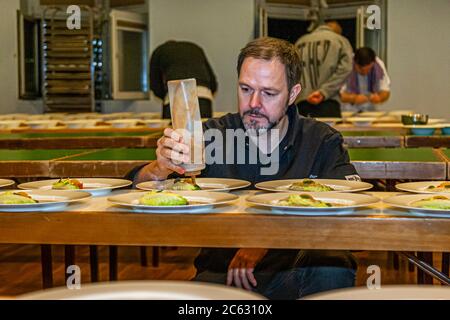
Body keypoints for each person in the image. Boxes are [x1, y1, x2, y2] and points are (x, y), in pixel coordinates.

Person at [134, 37, 359, 299]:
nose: (254, 103)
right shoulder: (209, 136)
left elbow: (351, 207)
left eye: (269, 93)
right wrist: (160, 168)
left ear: (293, 94)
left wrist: (265, 239)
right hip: (221, 273)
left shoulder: (321, 140)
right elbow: (137, 190)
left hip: (294, 272)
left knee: (333, 264)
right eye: (245, 89)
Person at [295, 21, 353, 118]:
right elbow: (346, 69)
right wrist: (324, 91)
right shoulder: (340, 41)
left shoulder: (300, 42)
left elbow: (292, 71)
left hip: (302, 104)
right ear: (337, 32)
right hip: (328, 103)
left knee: (303, 133)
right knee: (327, 133)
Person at [149, 40, 218, 119]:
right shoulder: (195, 48)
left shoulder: (159, 51)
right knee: (202, 129)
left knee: (175, 130)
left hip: (176, 95)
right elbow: (212, 81)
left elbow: (155, 84)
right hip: (202, 94)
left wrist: (167, 96)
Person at [340, 47, 391, 113]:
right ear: (355, 63)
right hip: (347, 111)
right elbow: (338, 95)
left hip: (370, 111)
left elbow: (386, 92)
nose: (365, 72)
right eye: (361, 69)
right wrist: (354, 98)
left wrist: (379, 98)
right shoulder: (345, 65)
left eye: (368, 69)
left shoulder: (378, 65)